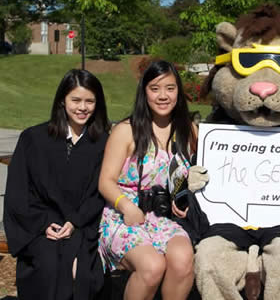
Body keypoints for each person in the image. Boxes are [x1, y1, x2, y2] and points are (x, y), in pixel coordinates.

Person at [4, 69, 110, 300]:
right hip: (40, 225)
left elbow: (100, 193)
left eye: (89, 101)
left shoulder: (103, 142)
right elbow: (18, 192)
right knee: (49, 265)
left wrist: (75, 222)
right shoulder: (34, 138)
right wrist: (43, 224)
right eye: (76, 100)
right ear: (62, 100)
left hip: (83, 225)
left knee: (79, 270)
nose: (82, 107)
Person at [98, 60, 197, 300]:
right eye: (155, 88)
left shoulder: (190, 131)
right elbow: (105, 181)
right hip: (124, 216)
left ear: (178, 92)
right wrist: (127, 206)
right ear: (144, 92)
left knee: (183, 260)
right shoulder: (126, 130)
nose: (163, 95)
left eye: (170, 88)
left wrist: (183, 196)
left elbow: (192, 173)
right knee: (152, 266)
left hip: (163, 218)